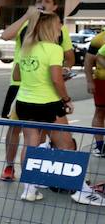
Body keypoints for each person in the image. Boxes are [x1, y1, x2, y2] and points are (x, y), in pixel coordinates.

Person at [0, 0, 73, 182]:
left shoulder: (58, 27)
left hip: (42, 91)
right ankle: (10, 166)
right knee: (16, 129)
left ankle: (38, 178)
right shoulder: (26, 23)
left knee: (38, 137)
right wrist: (27, 15)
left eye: (47, 1)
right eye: (38, 1)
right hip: (21, 87)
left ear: (55, 7)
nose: (42, 4)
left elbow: (69, 56)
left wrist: (64, 69)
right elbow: (5, 36)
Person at [13, 11, 75, 203]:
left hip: (24, 102)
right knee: (65, 142)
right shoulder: (54, 49)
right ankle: (73, 184)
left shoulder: (26, 48)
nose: (60, 28)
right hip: (48, 102)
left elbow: (17, 76)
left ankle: (29, 189)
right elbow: (56, 80)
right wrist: (66, 99)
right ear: (50, 27)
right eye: (58, 24)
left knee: (30, 143)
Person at [85, 29, 105, 158]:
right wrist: (89, 81)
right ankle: (100, 146)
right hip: (101, 81)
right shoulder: (98, 39)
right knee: (100, 112)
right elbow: (88, 61)